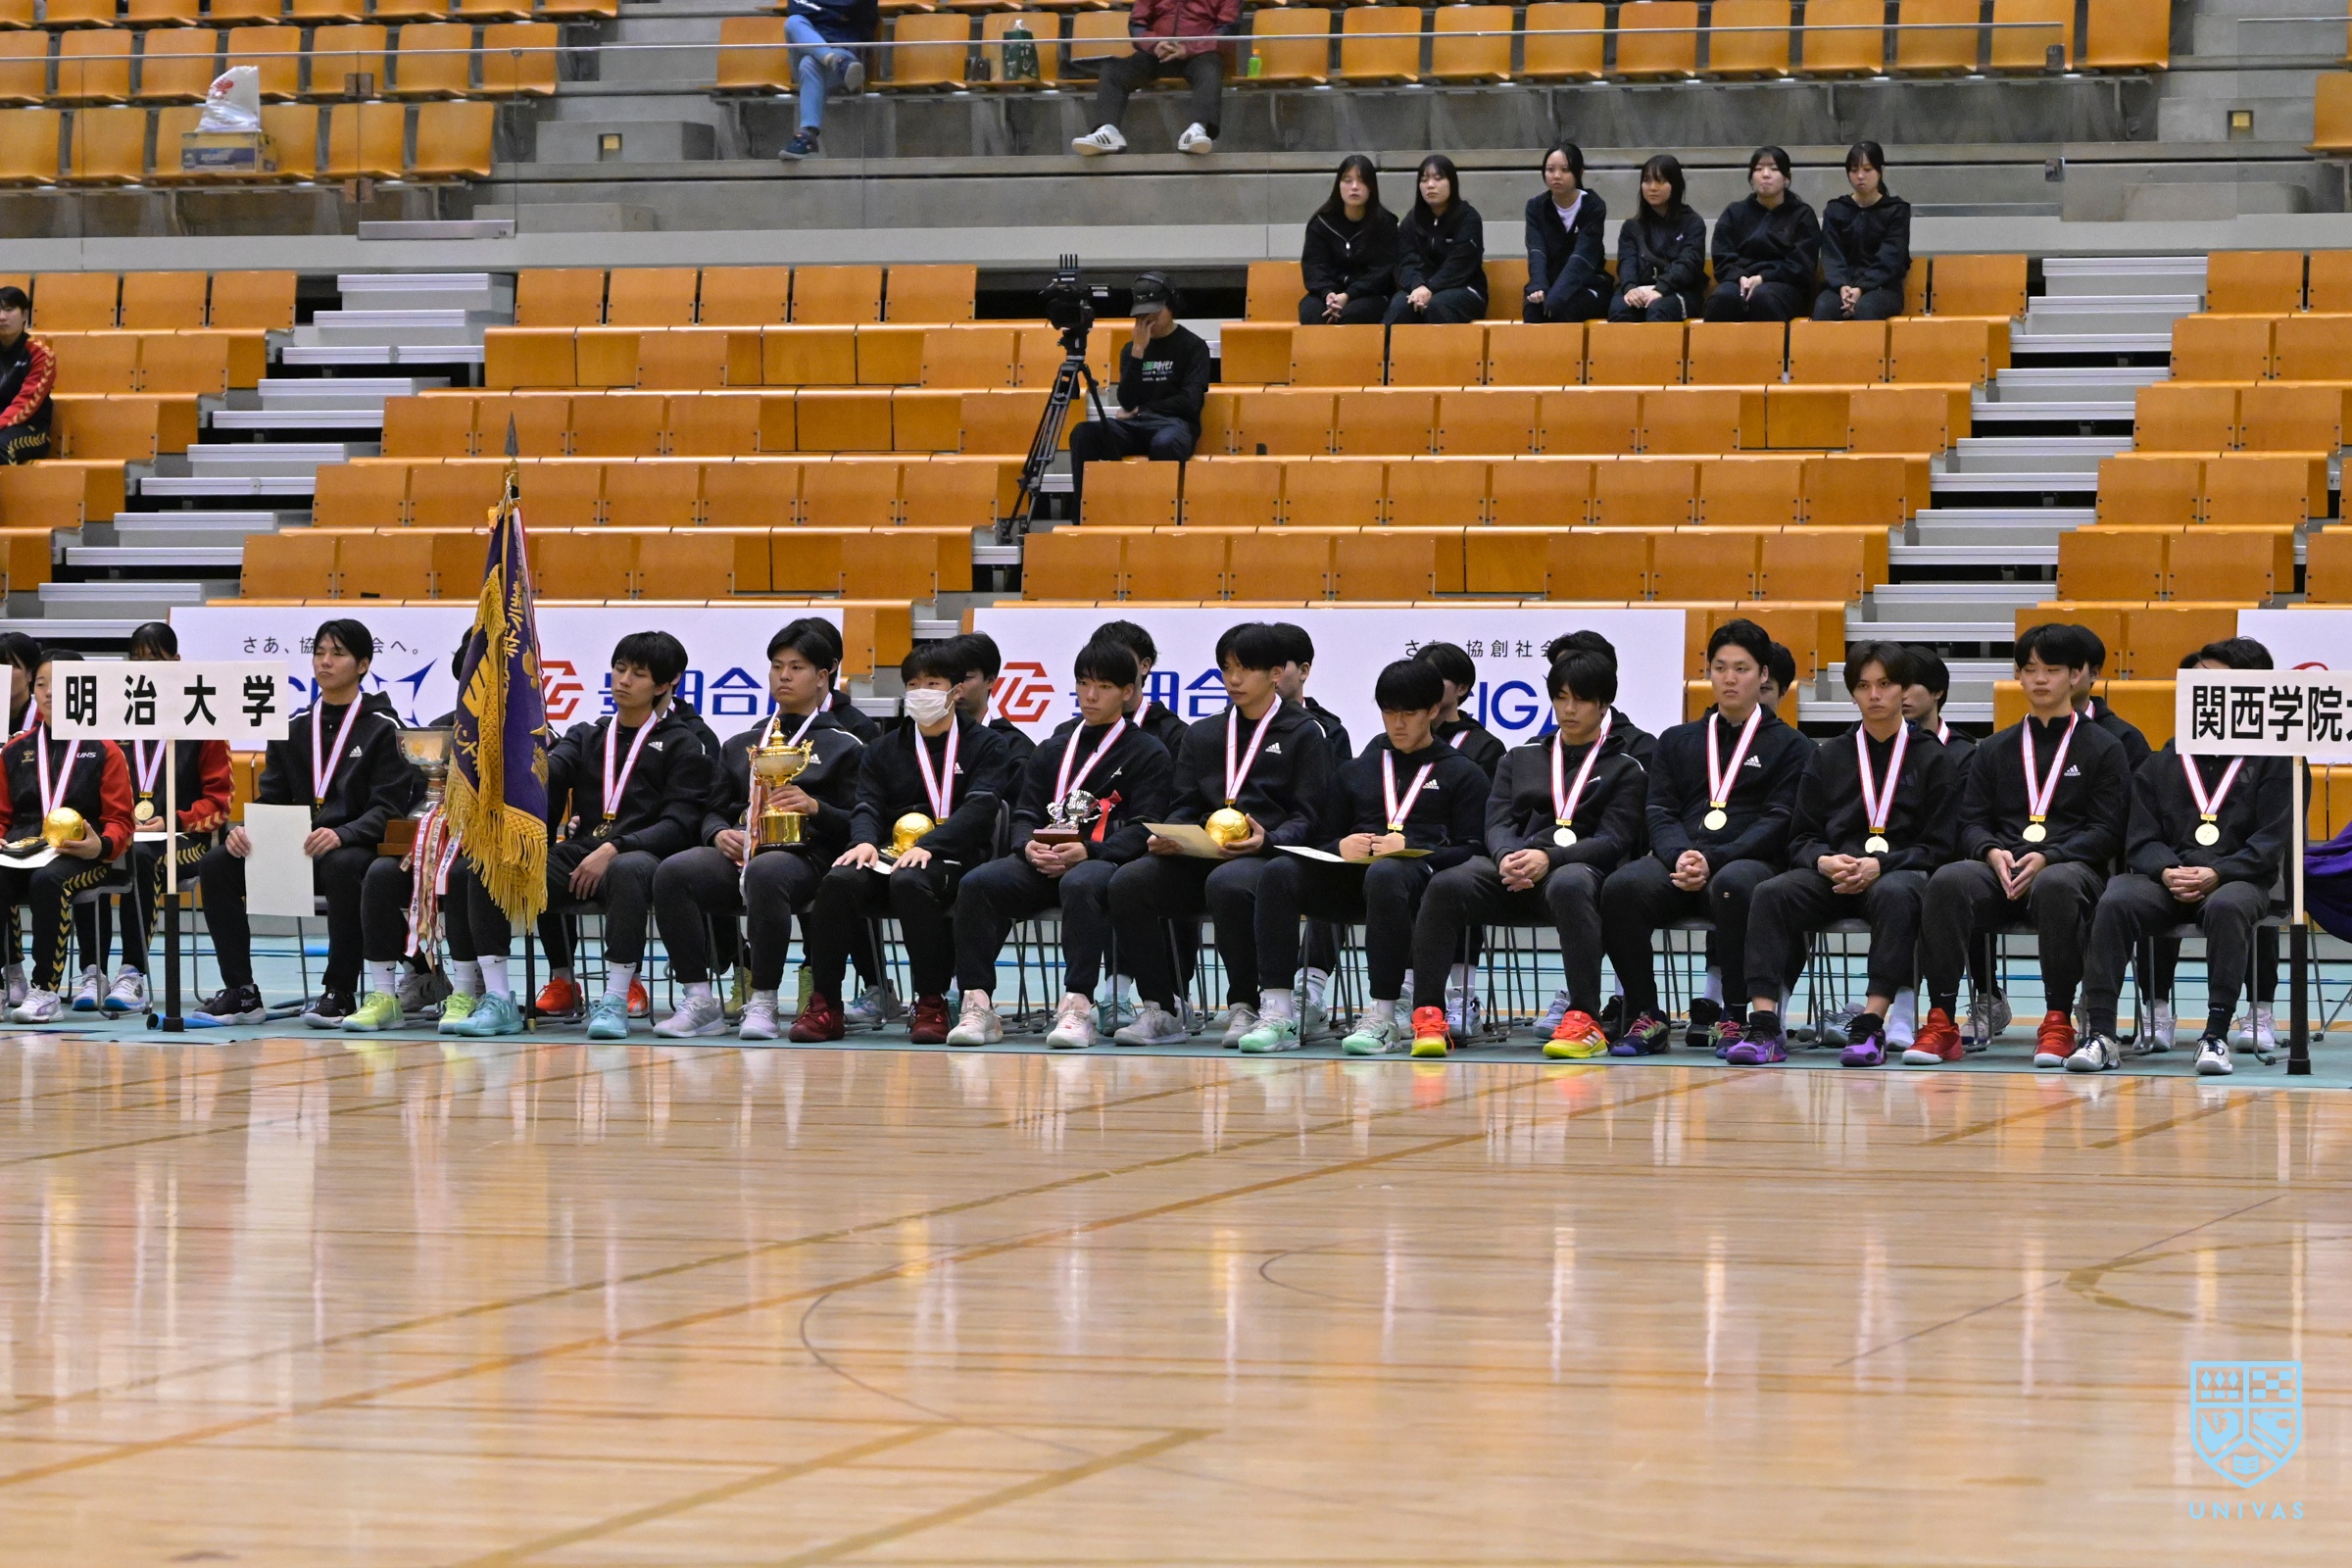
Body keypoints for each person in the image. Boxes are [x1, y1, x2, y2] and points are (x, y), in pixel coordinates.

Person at [446, 632, 713, 1041]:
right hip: (582, 855)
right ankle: (498, 997)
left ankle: (615, 998)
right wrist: (512, 746)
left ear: (662, 685)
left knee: (627, 868)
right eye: (619, 669)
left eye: (638, 674)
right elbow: (548, 774)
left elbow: (680, 823)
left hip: (643, 857)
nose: (623, 680)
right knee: (486, 866)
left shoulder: (683, 742)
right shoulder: (587, 735)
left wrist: (616, 846)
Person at [1233, 660, 1486, 1056]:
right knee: (1280, 872)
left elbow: (1474, 848)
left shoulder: (1463, 773)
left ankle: (1384, 1016)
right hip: (1352, 880)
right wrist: (1340, 847)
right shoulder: (1358, 770)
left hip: (1420, 885)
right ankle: (1279, 1013)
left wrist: (1415, 849)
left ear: (1433, 710)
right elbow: (1322, 836)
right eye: (1389, 712)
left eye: (1409, 713)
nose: (1397, 723)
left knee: (1387, 874)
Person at [1906, 623, 2129, 1067]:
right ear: (2018, 676)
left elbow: (2107, 829)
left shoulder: (2105, 747)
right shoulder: (1994, 748)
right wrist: (1990, 850)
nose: (2039, 679)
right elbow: (1970, 821)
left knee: (2057, 883)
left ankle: (2058, 1019)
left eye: (2052, 669)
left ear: (2076, 675)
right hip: (2001, 869)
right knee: (1948, 880)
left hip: (2071, 868)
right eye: (2029, 669)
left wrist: (2050, 856)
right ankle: (1942, 1019)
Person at [1105, 622, 1334, 1048]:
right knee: (1129, 882)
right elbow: (1185, 802)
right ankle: (1163, 1007)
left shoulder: (1304, 733)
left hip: (1269, 857)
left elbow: (1311, 815)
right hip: (1204, 854)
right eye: (1227, 668)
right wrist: (1172, 835)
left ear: (1276, 673)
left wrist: (1268, 839)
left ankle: (1246, 1004)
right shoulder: (1204, 733)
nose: (1233, 679)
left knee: (1228, 883)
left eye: (1244, 669)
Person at [640, 619, 867, 1042]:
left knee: (767, 871)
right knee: (674, 872)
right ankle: (699, 1000)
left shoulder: (845, 745)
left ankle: (763, 1000)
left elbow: (861, 821)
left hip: (809, 857)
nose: (783, 676)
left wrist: (816, 808)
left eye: (796, 667)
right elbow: (713, 808)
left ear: (823, 676)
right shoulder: (743, 743)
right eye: (777, 666)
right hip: (742, 851)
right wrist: (716, 833)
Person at [1415, 648, 1646, 1061]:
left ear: (1604, 705)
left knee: (1571, 884)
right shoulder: (1519, 757)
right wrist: (1506, 854)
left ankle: (1584, 1017)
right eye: (1560, 697)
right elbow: (1497, 820)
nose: (1568, 709)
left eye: (1580, 700)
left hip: (1575, 869)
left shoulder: (1625, 767)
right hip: (1514, 866)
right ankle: (1429, 1014)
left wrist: (1549, 859)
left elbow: (1614, 839)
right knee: (1447, 883)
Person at [947, 637, 1174, 1049]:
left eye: (1103, 686)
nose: (1090, 695)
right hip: (1043, 860)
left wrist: (1091, 850)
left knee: (1081, 883)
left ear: (1127, 691)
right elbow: (1025, 813)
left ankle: (1077, 1007)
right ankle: (977, 1004)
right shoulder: (1054, 746)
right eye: (1083, 683)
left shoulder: (1148, 752)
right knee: (978, 883)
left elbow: (1146, 825)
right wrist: (1026, 847)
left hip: (1104, 862)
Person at [1738, 644, 1957, 1067]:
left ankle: (1870, 1025)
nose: (1874, 695)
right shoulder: (1828, 755)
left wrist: (1882, 864)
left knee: (1898, 894)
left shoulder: (1933, 757)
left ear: (1903, 689)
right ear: (1852, 694)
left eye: (1885, 684)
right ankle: (1765, 1023)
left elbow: (1940, 846)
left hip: (1896, 872)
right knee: (1771, 893)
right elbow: (1801, 836)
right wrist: (1822, 860)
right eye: (1863, 686)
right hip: (1833, 874)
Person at [2070, 655, 2288, 1078]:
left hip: (2236, 879)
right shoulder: (2162, 761)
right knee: (2116, 900)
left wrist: (2219, 872)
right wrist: (2166, 870)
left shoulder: (2271, 761)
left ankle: (2215, 1034)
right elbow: (2141, 837)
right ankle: (2101, 1034)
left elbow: (2269, 841)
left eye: (2217, 682)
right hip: (2168, 879)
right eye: (2197, 682)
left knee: (2228, 907)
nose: (2206, 690)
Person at [191, 619, 416, 1026]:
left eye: (338, 654)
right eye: (319, 653)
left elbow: (389, 808)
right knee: (218, 863)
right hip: (296, 850)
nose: (325, 662)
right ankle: (242, 992)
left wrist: (342, 833)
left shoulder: (386, 729)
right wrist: (246, 830)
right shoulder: (292, 727)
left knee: (342, 865)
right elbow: (272, 798)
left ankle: (339, 991)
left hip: (356, 848)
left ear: (363, 664)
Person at [788, 642, 1015, 1044]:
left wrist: (934, 844)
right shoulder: (883, 747)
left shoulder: (987, 744)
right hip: (890, 853)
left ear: (956, 690)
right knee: (839, 880)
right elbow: (867, 804)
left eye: (933, 683)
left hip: (954, 855)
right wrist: (863, 841)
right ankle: (825, 1005)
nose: (921, 692)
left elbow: (981, 807)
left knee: (910, 881)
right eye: (913, 684)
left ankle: (930, 1002)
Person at [1600, 618, 1809, 1055]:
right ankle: (1646, 1013)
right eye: (1720, 668)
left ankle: (1734, 1015)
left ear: (1763, 674)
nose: (1729, 678)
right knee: (1621, 888)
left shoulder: (1792, 745)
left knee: (1735, 885)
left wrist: (1715, 858)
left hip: (1748, 861)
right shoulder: (1677, 740)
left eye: (1742, 669)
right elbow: (1659, 810)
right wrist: (1680, 855)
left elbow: (1779, 818)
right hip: (1682, 860)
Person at [80, 622, 234, 1018]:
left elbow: (219, 803)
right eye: (136, 659)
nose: (144, 667)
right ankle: (92, 972)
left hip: (186, 841)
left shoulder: (203, 720)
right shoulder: (113, 719)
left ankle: (132, 972)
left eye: (155, 659)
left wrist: (173, 821)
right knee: (90, 851)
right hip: (124, 833)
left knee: (142, 858)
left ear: (177, 662)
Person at [0, 653, 133, 1023]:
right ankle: (7, 979)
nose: (48, 693)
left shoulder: (105, 749)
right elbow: (2, 815)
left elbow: (121, 820)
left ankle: (45, 991)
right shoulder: (14, 750)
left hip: (86, 856)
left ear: (83, 690)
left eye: (60, 685)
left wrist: (101, 846)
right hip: (24, 851)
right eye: (41, 684)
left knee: (49, 881)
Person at [1066, 271, 1211, 520]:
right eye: (1142, 315)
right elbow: (1127, 401)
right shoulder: (1131, 349)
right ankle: (1082, 516)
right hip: (1135, 426)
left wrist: (1145, 409)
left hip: (1175, 426)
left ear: (1170, 307)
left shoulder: (1193, 346)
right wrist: (1137, 352)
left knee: (1164, 444)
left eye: (1154, 312)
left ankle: (1158, 516)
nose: (1148, 320)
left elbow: (1189, 403)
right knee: (1083, 433)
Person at [1071, 0, 1237, 158]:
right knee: (1113, 69)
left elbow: (1227, 30)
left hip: (1199, 54)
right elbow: (1137, 24)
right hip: (1157, 53)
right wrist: (1155, 44)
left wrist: (1189, 48)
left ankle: (1199, 130)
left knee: (1210, 69)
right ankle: (1108, 131)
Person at [1704, 146, 1821, 324]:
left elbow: (1802, 264)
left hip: (1784, 285)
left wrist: (1763, 278)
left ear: (1787, 178)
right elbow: (1722, 257)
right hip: (1739, 281)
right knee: (1723, 298)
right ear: (1751, 177)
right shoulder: (1734, 212)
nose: (1765, 175)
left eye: (1774, 169)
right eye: (1758, 169)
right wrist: (1740, 277)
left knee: (1763, 298)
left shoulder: (1802, 214)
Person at [1813, 141, 1911, 322]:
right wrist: (1842, 286)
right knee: (1824, 307)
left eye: (1867, 169)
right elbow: (1832, 255)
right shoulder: (1836, 209)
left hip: (1883, 288)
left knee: (1866, 308)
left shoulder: (1896, 210)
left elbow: (1890, 257)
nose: (1860, 176)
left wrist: (1861, 288)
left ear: (1880, 171)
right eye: (1853, 170)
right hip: (1840, 288)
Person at [1386, 155, 1488, 326]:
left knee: (1438, 306)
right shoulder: (1411, 221)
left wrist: (1430, 288)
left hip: (1465, 288)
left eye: (1438, 178)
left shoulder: (1468, 218)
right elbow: (1405, 261)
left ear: (1451, 182)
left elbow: (1460, 264)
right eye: (1424, 180)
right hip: (1419, 288)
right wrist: (1418, 285)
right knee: (1399, 307)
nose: (1430, 185)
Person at [1299, 154, 1397, 326]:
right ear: (1338, 184)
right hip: (1329, 293)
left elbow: (1382, 272)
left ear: (1372, 187)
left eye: (1362, 181)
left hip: (1370, 294)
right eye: (1347, 180)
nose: (1354, 187)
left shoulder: (1385, 224)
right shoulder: (1321, 223)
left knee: (1352, 315)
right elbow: (1314, 267)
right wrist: (1328, 293)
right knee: (1312, 312)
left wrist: (1349, 295)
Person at [1609, 154, 1706, 323]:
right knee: (1621, 309)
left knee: (1659, 309)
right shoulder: (1631, 227)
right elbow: (1627, 263)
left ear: (1675, 185)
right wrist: (1630, 288)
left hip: (1679, 290)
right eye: (1647, 181)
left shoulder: (1693, 223)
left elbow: (1688, 264)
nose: (1652, 187)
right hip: (1640, 288)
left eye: (1661, 181)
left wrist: (1660, 289)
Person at [774, 0, 876, 162]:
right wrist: (835, 12)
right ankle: (833, 60)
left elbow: (860, 8)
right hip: (833, 62)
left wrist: (817, 8)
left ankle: (807, 135)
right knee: (793, 22)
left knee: (808, 63)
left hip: (845, 54)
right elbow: (795, 7)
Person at [1522, 140, 1608, 324]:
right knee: (1533, 309)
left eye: (1565, 170)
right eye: (1550, 169)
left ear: (1579, 173)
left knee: (1565, 308)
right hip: (1550, 283)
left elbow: (1583, 257)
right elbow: (1536, 250)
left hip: (1588, 283)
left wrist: (1558, 294)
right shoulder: (1535, 207)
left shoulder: (1594, 206)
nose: (1556, 176)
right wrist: (1538, 285)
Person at [946, 632, 1037, 775]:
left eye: (966, 678)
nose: (957, 687)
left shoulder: (1014, 747)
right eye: (949, 678)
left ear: (990, 681)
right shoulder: (925, 741)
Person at [1095, 618, 1190, 756]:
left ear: (1144, 666)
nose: (1108, 668)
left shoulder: (1174, 734)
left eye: (1119, 659)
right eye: (1101, 660)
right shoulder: (1073, 731)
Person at [1413, 641, 1505, 776]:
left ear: (1462, 688)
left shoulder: (1486, 746)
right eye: (1420, 678)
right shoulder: (1400, 738)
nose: (1426, 685)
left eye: (1437, 678)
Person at [2070, 624, 2152, 773]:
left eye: (2072, 668)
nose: (2060, 676)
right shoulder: (2026, 733)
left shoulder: (2126, 738)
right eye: (2052, 669)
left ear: (2094, 673)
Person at [0, 285, 53, 466]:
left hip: (30, 429)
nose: (2, 317)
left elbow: (26, 402)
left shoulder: (40, 355)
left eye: (9, 310)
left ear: (24, 315)